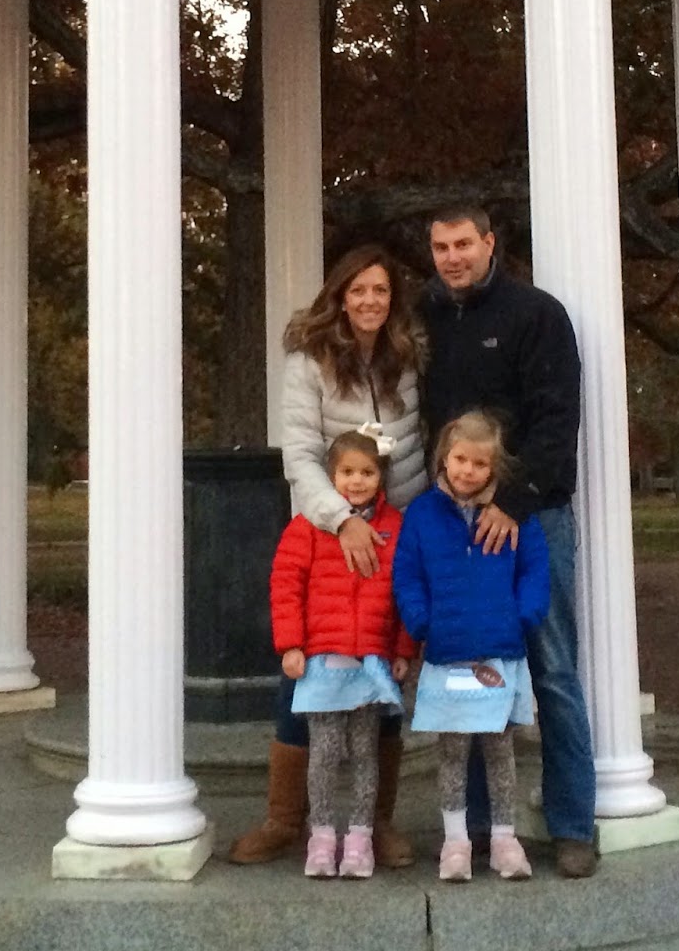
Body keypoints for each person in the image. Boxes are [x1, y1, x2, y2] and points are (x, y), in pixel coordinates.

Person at [230, 242, 429, 868]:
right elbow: (299, 452)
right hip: (325, 532)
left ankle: (377, 823)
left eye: (380, 290)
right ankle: (285, 819)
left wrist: (400, 527)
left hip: (393, 532)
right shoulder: (310, 359)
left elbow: (415, 445)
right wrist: (342, 520)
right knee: (305, 678)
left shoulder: (406, 356)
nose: (370, 301)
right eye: (358, 289)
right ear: (340, 296)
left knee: (383, 675)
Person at [419, 205, 599, 879]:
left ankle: (573, 825)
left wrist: (511, 502)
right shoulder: (429, 317)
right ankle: (473, 831)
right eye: (441, 247)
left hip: (533, 518)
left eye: (463, 244)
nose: (453, 257)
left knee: (553, 670)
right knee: (468, 672)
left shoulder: (536, 315)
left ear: (490, 243)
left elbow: (557, 421)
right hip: (456, 523)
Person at [394, 410, 550, 881]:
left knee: (500, 751)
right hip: (448, 654)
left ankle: (504, 839)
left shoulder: (512, 514)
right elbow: (407, 573)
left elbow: (534, 568)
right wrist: (421, 621)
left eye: (480, 464)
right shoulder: (422, 514)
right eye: (460, 459)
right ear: (445, 456)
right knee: (453, 753)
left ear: (493, 468)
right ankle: (456, 841)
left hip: (498, 651)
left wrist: (522, 615)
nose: (468, 471)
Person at [269, 431, 415, 879]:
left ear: (381, 476)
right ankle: (321, 836)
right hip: (320, 661)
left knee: (366, 752)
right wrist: (291, 644)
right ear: (332, 476)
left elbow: (406, 593)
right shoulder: (308, 526)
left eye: (367, 472)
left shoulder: (396, 527)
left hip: (370, 661)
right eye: (347, 471)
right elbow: (286, 587)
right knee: (325, 752)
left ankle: (360, 838)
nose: (357, 481)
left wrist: (403, 649)